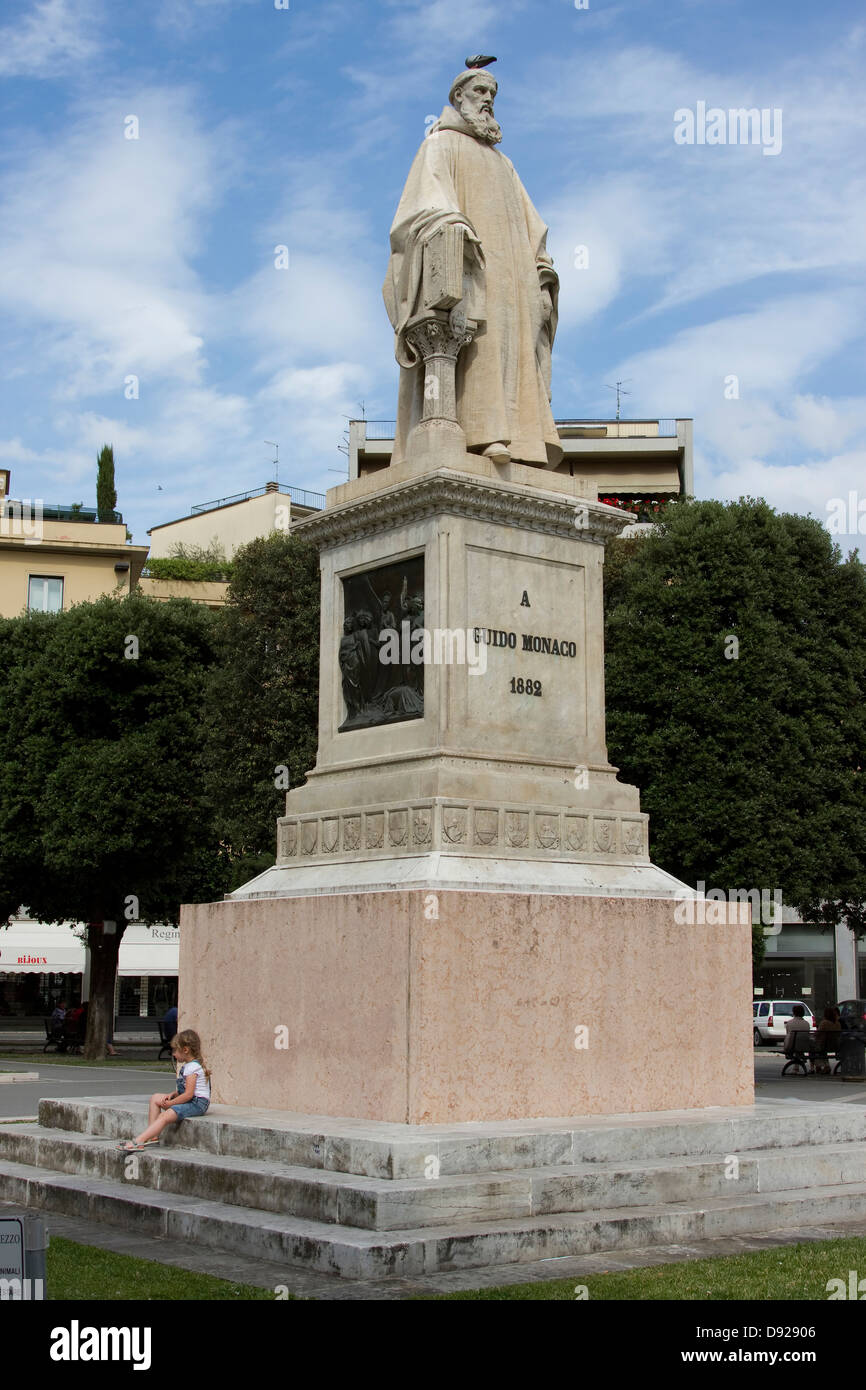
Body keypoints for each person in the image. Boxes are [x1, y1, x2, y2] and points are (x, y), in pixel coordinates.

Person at [384, 61, 561, 470]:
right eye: (480, 92)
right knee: (478, 345)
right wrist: (452, 224)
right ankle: (485, 435)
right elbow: (422, 206)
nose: (487, 101)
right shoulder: (439, 145)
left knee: (508, 346)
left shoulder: (505, 164)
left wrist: (540, 270)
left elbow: (535, 227)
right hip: (472, 268)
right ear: (458, 96)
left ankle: (519, 438)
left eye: (492, 96)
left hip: (511, 279)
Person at [117, 1030, 211, 1151]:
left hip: (197, 1104)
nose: (173, 1054)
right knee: (156, 1097)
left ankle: (139, 1141)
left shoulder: (192, 1068)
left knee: (164, 1116)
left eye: (175, 1050)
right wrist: (173, 1094)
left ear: (185, 1050)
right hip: (191, 1100)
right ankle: (152, 1136)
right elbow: (185, 1090)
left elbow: (188, 1094)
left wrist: (172, 1103)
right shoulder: (189, 1066)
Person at [811, 1006, 841, 1074]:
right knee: (820, 1048)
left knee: (813, 1048)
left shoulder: (824, 1023)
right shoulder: (838, 1023)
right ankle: (825, 1066)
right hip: (835, 1045)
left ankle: (818, 1066)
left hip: (824, 1045)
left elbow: (817, 1034)